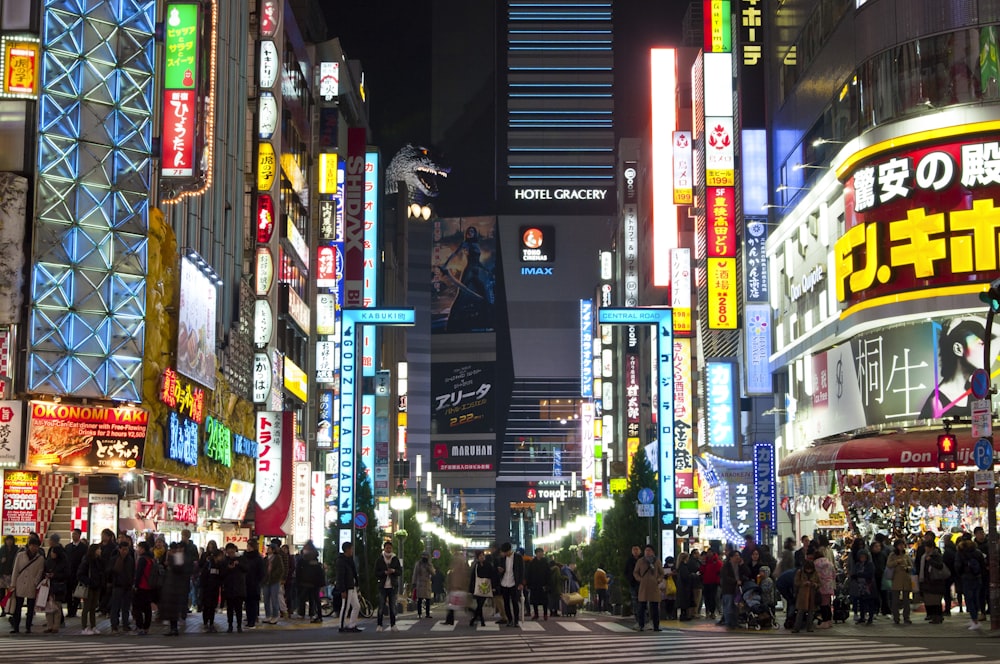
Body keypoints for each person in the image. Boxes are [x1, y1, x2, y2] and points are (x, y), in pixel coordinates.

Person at [920, 316, 997, 419]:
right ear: (958, 349)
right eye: (980, 344)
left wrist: (963, 319)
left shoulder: (975, 389)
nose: (986, 351)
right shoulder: (936, 403)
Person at [9, 535, 44, 634]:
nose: (34, 547)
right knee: (18, 606)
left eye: (36, 546)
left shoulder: (40, 558)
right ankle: (16, 627)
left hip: (31, 584)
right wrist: (13, 583)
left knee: (30, 607)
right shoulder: (20, 555)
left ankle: (28, 627)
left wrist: (35, 582)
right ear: (28, 545)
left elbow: (40, 572)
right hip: (20, 583)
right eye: (32, 545)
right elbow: (15, 570)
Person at [956, 538, 986, 630]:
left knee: (969, 599)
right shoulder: (977, 552)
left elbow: (957, 566)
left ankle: (974, 620)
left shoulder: (960, 553)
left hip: (966, 578)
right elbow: (983, 565)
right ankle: (975, 618)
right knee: (976, 598)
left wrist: (960, 574)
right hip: (977, 578)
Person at [42, 533, 69, 633]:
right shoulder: (49, 561)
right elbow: (44, 569)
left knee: (57, 606)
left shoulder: (63, 559)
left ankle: (56, 626)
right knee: (48, 606)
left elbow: (66, 573)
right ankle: (50, 625)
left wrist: (55, 575)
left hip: (58, 585)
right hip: (49, 584)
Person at [632, 544, 662, 631]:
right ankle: (641, 625)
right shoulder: (641, 561)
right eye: (646, 550)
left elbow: (661, 572)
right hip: (643, 586)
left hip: (654, 586)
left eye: (649, 550)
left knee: (655, 607)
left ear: (653, 552)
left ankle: (656, 626)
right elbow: (635, 572)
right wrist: (639, 579)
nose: (647, 552)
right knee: (641, 606)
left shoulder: (656, 561)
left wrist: (659, 580)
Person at [108, 538, 135, 633]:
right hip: (117, 585)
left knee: (126, 607)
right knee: (115, 607)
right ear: (119, 549)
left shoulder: (130, 559)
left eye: (126, 549)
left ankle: (125, 624)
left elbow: (132, 572)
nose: (124, 551)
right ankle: (114, 625)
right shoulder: (114, 559)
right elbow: (110, 572)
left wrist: (132, 583)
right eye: (123, 549)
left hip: (127, 586)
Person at [374, 540, 402, 632]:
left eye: (390, 548)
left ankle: (393, 624)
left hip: (393, 586)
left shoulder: (395, 559)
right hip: (382, 586)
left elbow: (400, 572)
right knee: (381, 606)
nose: (388, 549)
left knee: (392, 606)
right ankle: (379, 625)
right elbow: (376, 572)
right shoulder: (380, 559)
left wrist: (393, 571)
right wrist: (384, 573)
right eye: (387, 548)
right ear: (384, 548)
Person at [77, 543, 104, 635]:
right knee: (87, 607)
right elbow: (80, 574)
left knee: (93, 607)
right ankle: (84, 627)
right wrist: (89, 581)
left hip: (96, 586)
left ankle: (93, 626)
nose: (100, 551)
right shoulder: (87, 560)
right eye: (98, 549)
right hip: (89, 586)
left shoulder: (99, 560)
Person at [131, 541, 157, 636]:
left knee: (137, 608)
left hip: (141, 586)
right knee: (147, 608)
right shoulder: (151, 559)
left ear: (142, 549)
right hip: (150, 586)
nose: (137, 550)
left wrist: (135, 585)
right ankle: (146, 627)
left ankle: (140, 627)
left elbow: (139, 573)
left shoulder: (142, 559)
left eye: (139, 548)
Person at [920, 540, 949, 624]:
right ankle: (933, 616)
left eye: (927, 547)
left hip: (936, 581)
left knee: (936, 600)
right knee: (930, 600)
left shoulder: (936, 555)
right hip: (928, 581)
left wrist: (930, 560)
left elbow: (939, 566)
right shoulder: (924, 556)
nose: (926, 549)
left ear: (931, 547)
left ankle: (938, 616)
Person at [495, 542, 524, 627]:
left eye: (506, 552)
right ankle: (510, 619)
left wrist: (521, 583)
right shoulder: (502, 559)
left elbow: (522, 570)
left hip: (514, 583)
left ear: (510, 550)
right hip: (504, 583)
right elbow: (499, 569)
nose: (505, 554)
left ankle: (516, 621)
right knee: (506, 603)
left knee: (515, 602)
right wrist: (500, 570)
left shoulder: (518, 557)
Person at [885, 539, 913, 625]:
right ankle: (896, 617)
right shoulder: (892, 555)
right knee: (895, 600)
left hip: (906, 579)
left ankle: (906, 617)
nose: (901, 547)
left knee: (906, 600)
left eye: (903, 545)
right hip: (896, 579)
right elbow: (888, 564)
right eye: (900, 545)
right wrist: (896, 562)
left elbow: (911, 566)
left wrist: (907, 568)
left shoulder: (906, 555)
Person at [335, 541, 362, 632]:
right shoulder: (341, 561)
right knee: (345, 606)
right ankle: (341, 626)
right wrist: (342, 590)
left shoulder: (350, 560)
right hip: (346, 587)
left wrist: (356, 583)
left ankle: (352, 625)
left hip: (352, 586)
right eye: (351, 549)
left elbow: (354, 573)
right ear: (347, 550)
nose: (352, 551)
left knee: (357, 606)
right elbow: (340, 576)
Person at [296, 540, 324, 624]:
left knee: (302, 598)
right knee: (315, 599)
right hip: (314, 583)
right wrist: (321, 583)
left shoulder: (303, 560)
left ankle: (302, 613)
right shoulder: (315, 559)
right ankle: (315, 614)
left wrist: (298, 581)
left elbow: (298, 571)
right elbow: (319, 572)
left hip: (305, 582)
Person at [221, 542, 247, 632]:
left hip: (239, 587)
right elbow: (222, 573)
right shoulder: (224, 561)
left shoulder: (241, 559)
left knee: (238, 608)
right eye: (229, 551)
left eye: (232, 551)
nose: (230, 553)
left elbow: (246, 569)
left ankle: (239, 625)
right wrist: (228, 568)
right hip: (229, 587)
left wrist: (238, 564)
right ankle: (230, 625)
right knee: (230, 608)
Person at [720, 549, 749, 629]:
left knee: (736, 607)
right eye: (736, 556)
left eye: (738, 556)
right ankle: (728, 622)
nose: (738, 557)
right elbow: (725, 577)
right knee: (728, 606)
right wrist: (735, 581)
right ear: (731, 557)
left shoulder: (739, 566)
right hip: (728, 589)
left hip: (737, 590)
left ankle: (735, 622)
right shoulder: (726, 566)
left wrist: (743, 565)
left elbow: (747, 573)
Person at [199, 543, 223, 632]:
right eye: (221, 556)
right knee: (207, 606)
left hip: (215, 589)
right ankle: (206, 623)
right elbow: (203, 577)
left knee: (212, 607)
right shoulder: (209, 564)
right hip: (207, 589)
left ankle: (211, 623)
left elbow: (221, 576)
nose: (222, 558)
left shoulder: (219, 565)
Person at [241, 538, 264, 629]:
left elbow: (261, 572)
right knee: (247, 602)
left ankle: (252, 621)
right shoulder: (244, 557)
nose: (248, 548)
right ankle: (249, 619)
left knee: (253, 603)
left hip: (254, 583)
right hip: (245, 582)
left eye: (250, 546)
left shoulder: (258, 558)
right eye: (247, 546)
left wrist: (258, 581)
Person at [442, 551, 470, 625]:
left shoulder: (459, 568)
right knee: (452, 606)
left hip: (457, 589)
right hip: (457, 589)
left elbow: (462, 579)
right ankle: (449, 620)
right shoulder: (461, 567)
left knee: (459, 606)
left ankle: (476, 615)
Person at [792, 558, 819, 633]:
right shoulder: (800, 572)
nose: (809, 571)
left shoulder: (815, 573)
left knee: (811, 612)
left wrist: (815, 584)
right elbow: (796, 582)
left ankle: (809, 627)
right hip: (802, 595)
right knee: (800, 612)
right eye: (807, 569)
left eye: (810, 569)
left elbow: (819, 583)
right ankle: (796, 627)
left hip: (812, 594)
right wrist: (803, 583)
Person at [64, 528, 85, 619]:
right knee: (68, 593)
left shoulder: (83, 547)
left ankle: (74, 610)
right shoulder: (68, 547)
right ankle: (69, 610)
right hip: (69, 574)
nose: (73, 536)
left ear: (79, 536)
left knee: (77, 593)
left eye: (75, 534)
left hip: (78, 573)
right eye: (73, 534)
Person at [850, 549, 875, 625]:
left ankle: (870, 618)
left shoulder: (869, 564)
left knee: (870, 602)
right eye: (861, 557)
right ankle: (862, 617)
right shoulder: (858, 564)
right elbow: (854, 573)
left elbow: (869, 574)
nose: (862, 558)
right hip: (860, 586)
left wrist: (860, 575)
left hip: (868, 586)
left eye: (864, 557)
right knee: (861, 602)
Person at [469, 550, 494, 627]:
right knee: (479, 604)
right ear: (477, 557)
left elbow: (492, 575)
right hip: (477, 587)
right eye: (480, 556)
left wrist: (494, 586)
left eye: (483, 555)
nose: (482, 557)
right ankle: (481, 620)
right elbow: (472, 577)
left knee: (480, 604)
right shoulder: (476, 566)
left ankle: (474, 619)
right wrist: (471, 589)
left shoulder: (488, 565)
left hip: (486, 587)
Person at [262, 541, 285, 625]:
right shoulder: (265, 559)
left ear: (273, 550)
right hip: (266, 582)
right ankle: (268, 615)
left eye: (269, 548)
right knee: (266, 599)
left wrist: (274, 576)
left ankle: (275, 616)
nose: (268, 549)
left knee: (274, 599)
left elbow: (280, 570)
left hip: (274, 581)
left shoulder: (278, 558)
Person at [180, 529, 199, 616]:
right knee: (183, 591)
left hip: (189, 572)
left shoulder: (192, 547)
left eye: (184, 535)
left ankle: (185, 608)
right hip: (181, 572)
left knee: (186, 591)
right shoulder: (180, 546)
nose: (183, 537)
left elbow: (196, 559)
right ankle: (183, 608)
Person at [700, 548, 722, 620]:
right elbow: (702, 570)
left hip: (714, 582)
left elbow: (719, 570)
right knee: (707, 597)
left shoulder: (716, 561)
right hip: (706, 581)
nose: (709, 554)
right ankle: (708, 611)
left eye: (710, 552)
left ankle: (712, 611)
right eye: (708, 552)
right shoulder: (706, 561)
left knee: (712, 597)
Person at [412, 553, 435, 618]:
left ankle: (427, 614)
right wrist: (414, 582)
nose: (424, 558)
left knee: (428, 599)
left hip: (427, 583)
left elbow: (433, 573)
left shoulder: (429, 564)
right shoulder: (418, 564)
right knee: (419, 599)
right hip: (420, 583)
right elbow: (415, 573)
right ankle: (419, 613)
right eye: (423, 556)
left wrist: (429, 567)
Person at [624, 544, 641, 625]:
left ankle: (642, 618)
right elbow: (626, 572)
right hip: (633, 583)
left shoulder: (642, 560)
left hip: (642, 584)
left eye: (637, 549)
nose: (635, 551)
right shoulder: (629, 560)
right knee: (635, 601)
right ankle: (637, 618)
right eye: (634, 550)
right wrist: (629, 579)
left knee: (642, 601)